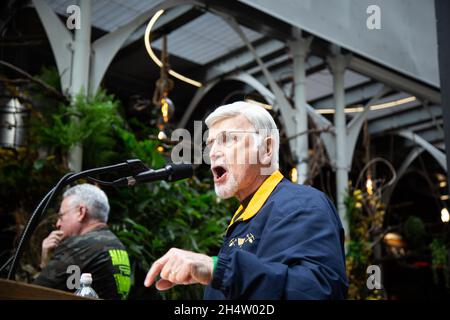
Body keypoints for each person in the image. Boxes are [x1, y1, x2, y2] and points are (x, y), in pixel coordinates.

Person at [144, 101, 348, 299]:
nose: (212, 153)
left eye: (227, 139)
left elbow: (318, 292)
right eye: (210, 144)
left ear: (267, 149)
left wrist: (216, 268)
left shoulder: (302, 204)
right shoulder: (244, 218)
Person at [34, 183, 131, 300]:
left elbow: (36, 292)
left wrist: (45, 261)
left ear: (81, 212)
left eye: (61, 216)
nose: (58, 224)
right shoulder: (117, 245)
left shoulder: (78, 246)